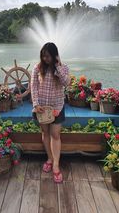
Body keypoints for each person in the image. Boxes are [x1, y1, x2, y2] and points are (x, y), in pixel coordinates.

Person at [31, 42, 70, 183]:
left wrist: (58, 67)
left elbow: (66, 83)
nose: (45, 59)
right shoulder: (38, 68)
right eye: (43, 56)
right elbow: (33, 87)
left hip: (57, 107)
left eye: (48, 56)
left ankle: (56, 165)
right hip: (41, 108)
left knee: (55, 134)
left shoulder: (63, 68)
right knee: (45, 133)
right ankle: (49, 158)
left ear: (54, 55)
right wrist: (36, 104)